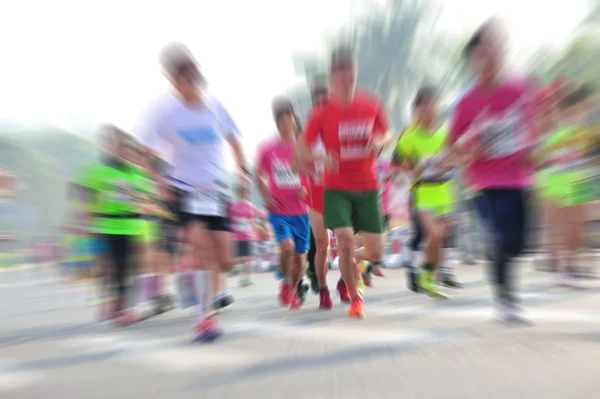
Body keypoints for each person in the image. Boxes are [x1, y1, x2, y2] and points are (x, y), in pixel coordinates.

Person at [137, 43, 250, 341]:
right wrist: (158, 180)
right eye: (181, 80)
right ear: (174, 81)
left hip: (216, 190)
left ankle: (198, 291)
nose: (189, 87)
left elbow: (235, 142)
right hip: (184, 189)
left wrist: (242, 172)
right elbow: (143, 151)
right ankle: (204, 319)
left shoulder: (215, 106)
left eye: (194, 80)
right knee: (200, 249)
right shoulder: (165, 111)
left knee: (224, 260)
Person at [450, 20, 538, 323]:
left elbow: (533, 126)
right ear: (475, 57)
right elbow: (452, 148)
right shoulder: (466, 101)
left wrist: (534, 149)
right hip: (483, 182)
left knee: (520, 243)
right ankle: (506, 298)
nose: (493, 52)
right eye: (486, 47)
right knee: (502, 239)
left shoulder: (520, 88)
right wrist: (469, 151)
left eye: (498, 45)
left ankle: (500, 270)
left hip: (518, 178)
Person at [296, 47, 390, 318]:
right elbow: (301, 151)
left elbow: (386, 131)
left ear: (355, 73)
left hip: (367, 185)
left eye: (350, 71)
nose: (345, 78)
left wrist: (379, 142)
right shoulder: (321, 114)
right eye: (339, 73)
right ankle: (355, 298)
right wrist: (321, 159)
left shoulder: (370, 103)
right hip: (335, 187)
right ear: (332, 77)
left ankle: (352, 261)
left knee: (374, 251)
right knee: (345, 240)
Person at [77, 126, 149, 326]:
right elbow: (86, 195)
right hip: (108, 225)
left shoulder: (136, 172)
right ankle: (117, 304)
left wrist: (138, 196)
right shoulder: (98, 170)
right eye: (118, 146)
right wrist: (84, 219)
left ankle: (126, 307)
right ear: (109, 147)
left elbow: (145, 196)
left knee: (130, 267)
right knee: (114, 267)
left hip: (132, 225)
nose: (122, 151)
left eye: (126, 148)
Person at [393, 87, 461, 299]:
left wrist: (449, 165)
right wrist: (411, 170)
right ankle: (422, 273)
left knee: (441, 239)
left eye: (434, 104)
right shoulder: (409, 136)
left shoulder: (445, 133)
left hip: (444, 191)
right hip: (422, 191)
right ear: (417, 109)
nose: (430, 109)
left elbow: (456, 157)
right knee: (433, 234)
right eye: (426, 105)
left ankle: (427, 273)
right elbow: (396, 163)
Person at [256, 97, 310, 309]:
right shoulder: (268, 149)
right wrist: (266, 197)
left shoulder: (304, 149)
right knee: (286, 247)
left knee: (299, 256)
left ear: (294, 120)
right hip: (278, 210)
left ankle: (293, 287)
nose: (286, 124)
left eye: (289, 119)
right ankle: (285, 285)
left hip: (301, 211)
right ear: (276, 123)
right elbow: (258, 175)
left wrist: (307, 190)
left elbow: (314, 173)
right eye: (281, 121)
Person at [230, 182, 261, 287]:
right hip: (237, 235)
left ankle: (246, 278)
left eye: (245, 192)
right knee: (241, 258)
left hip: (247, 235)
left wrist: (256, 229)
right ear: (238, 193)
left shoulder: (249, 206)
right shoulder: (233, 206)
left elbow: (252, 220)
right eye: (241, 192)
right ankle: (239, 274)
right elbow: (231, 220)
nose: (243, 193)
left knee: (247, 258)